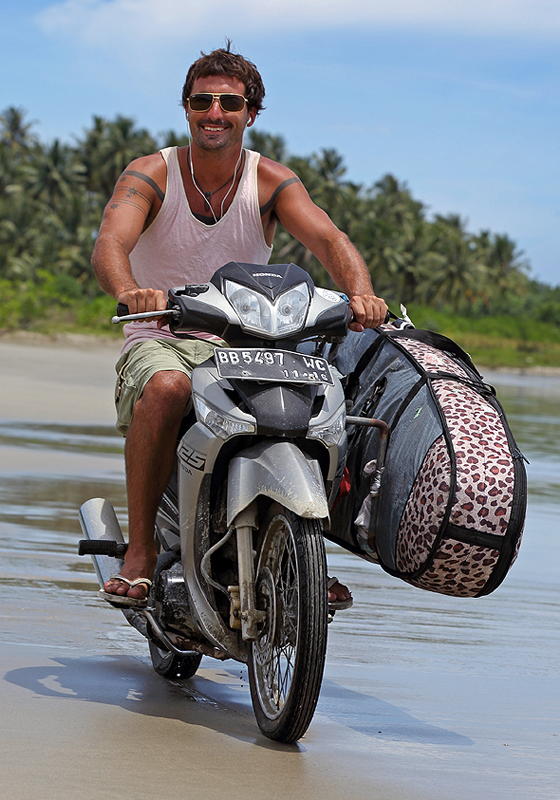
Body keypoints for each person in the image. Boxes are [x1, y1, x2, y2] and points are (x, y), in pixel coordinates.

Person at [91, 44, 387, 608]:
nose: (215, 112)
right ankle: (141, 552)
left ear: (251, 112)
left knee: (320, 403)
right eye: (203, 101)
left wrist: (362, 294)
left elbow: (328, 239)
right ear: (186, 108)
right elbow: (112, 240)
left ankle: (303, 545)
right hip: (165, 336)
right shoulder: (152, 173)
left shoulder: (270, 181)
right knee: (167, 387)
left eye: (230, 102)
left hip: (250, 341)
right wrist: (130, 291)